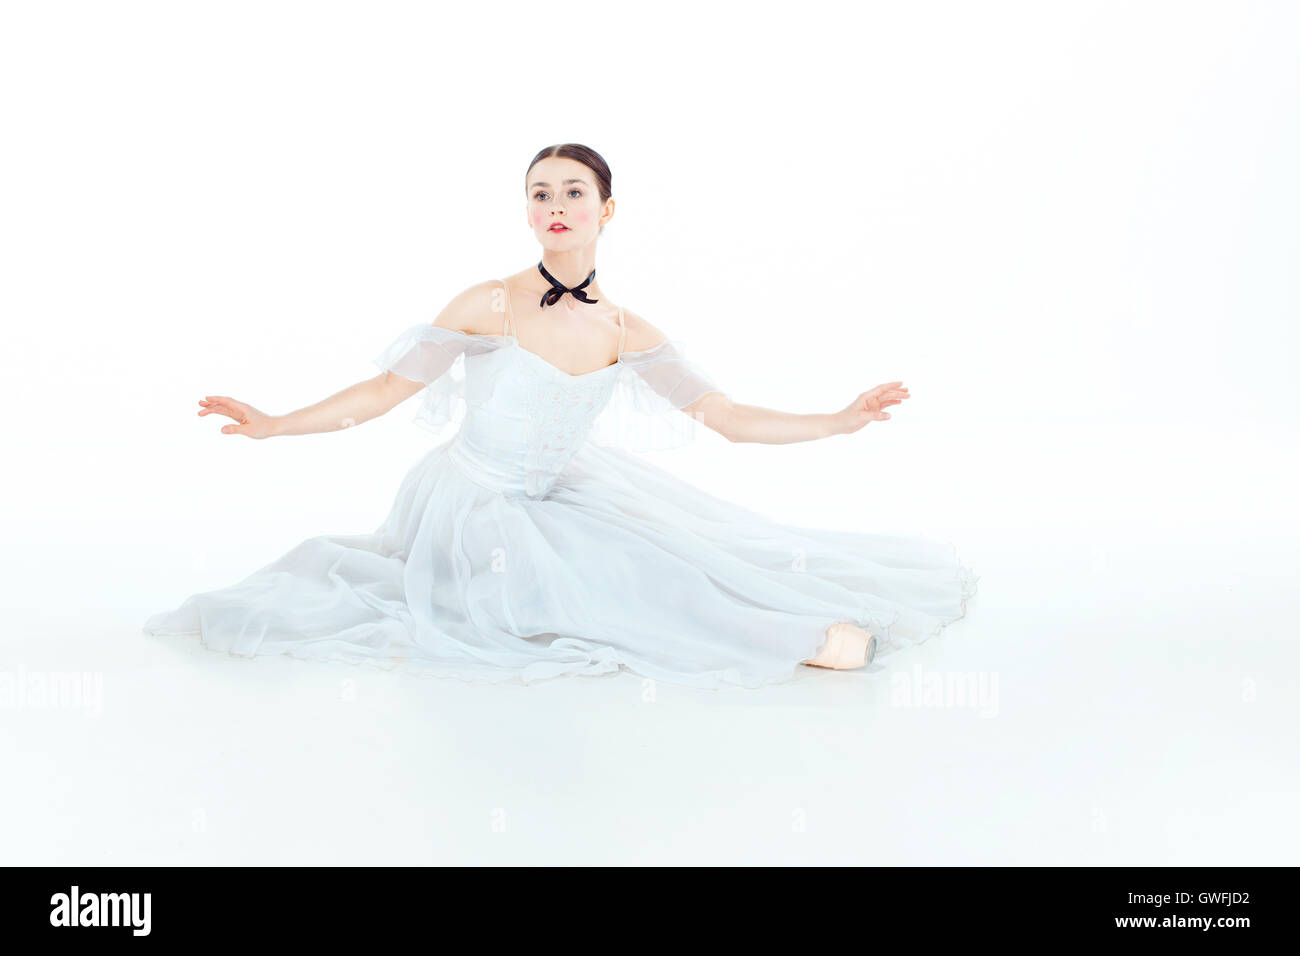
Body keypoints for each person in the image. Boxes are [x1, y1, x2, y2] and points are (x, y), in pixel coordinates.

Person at [143, 143, 978, 689]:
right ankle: (794, 639)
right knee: (580, 592)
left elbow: (727, 416)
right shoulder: (491, 302)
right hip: (471, 503)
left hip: (561, 490)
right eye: (540, 193)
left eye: (573, 192)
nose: (556, 205)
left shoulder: (627, 330)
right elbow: (384, 393)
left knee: (664, 556)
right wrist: (275, 422)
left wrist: (839, 419)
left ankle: (790, 623)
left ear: (606, 210)